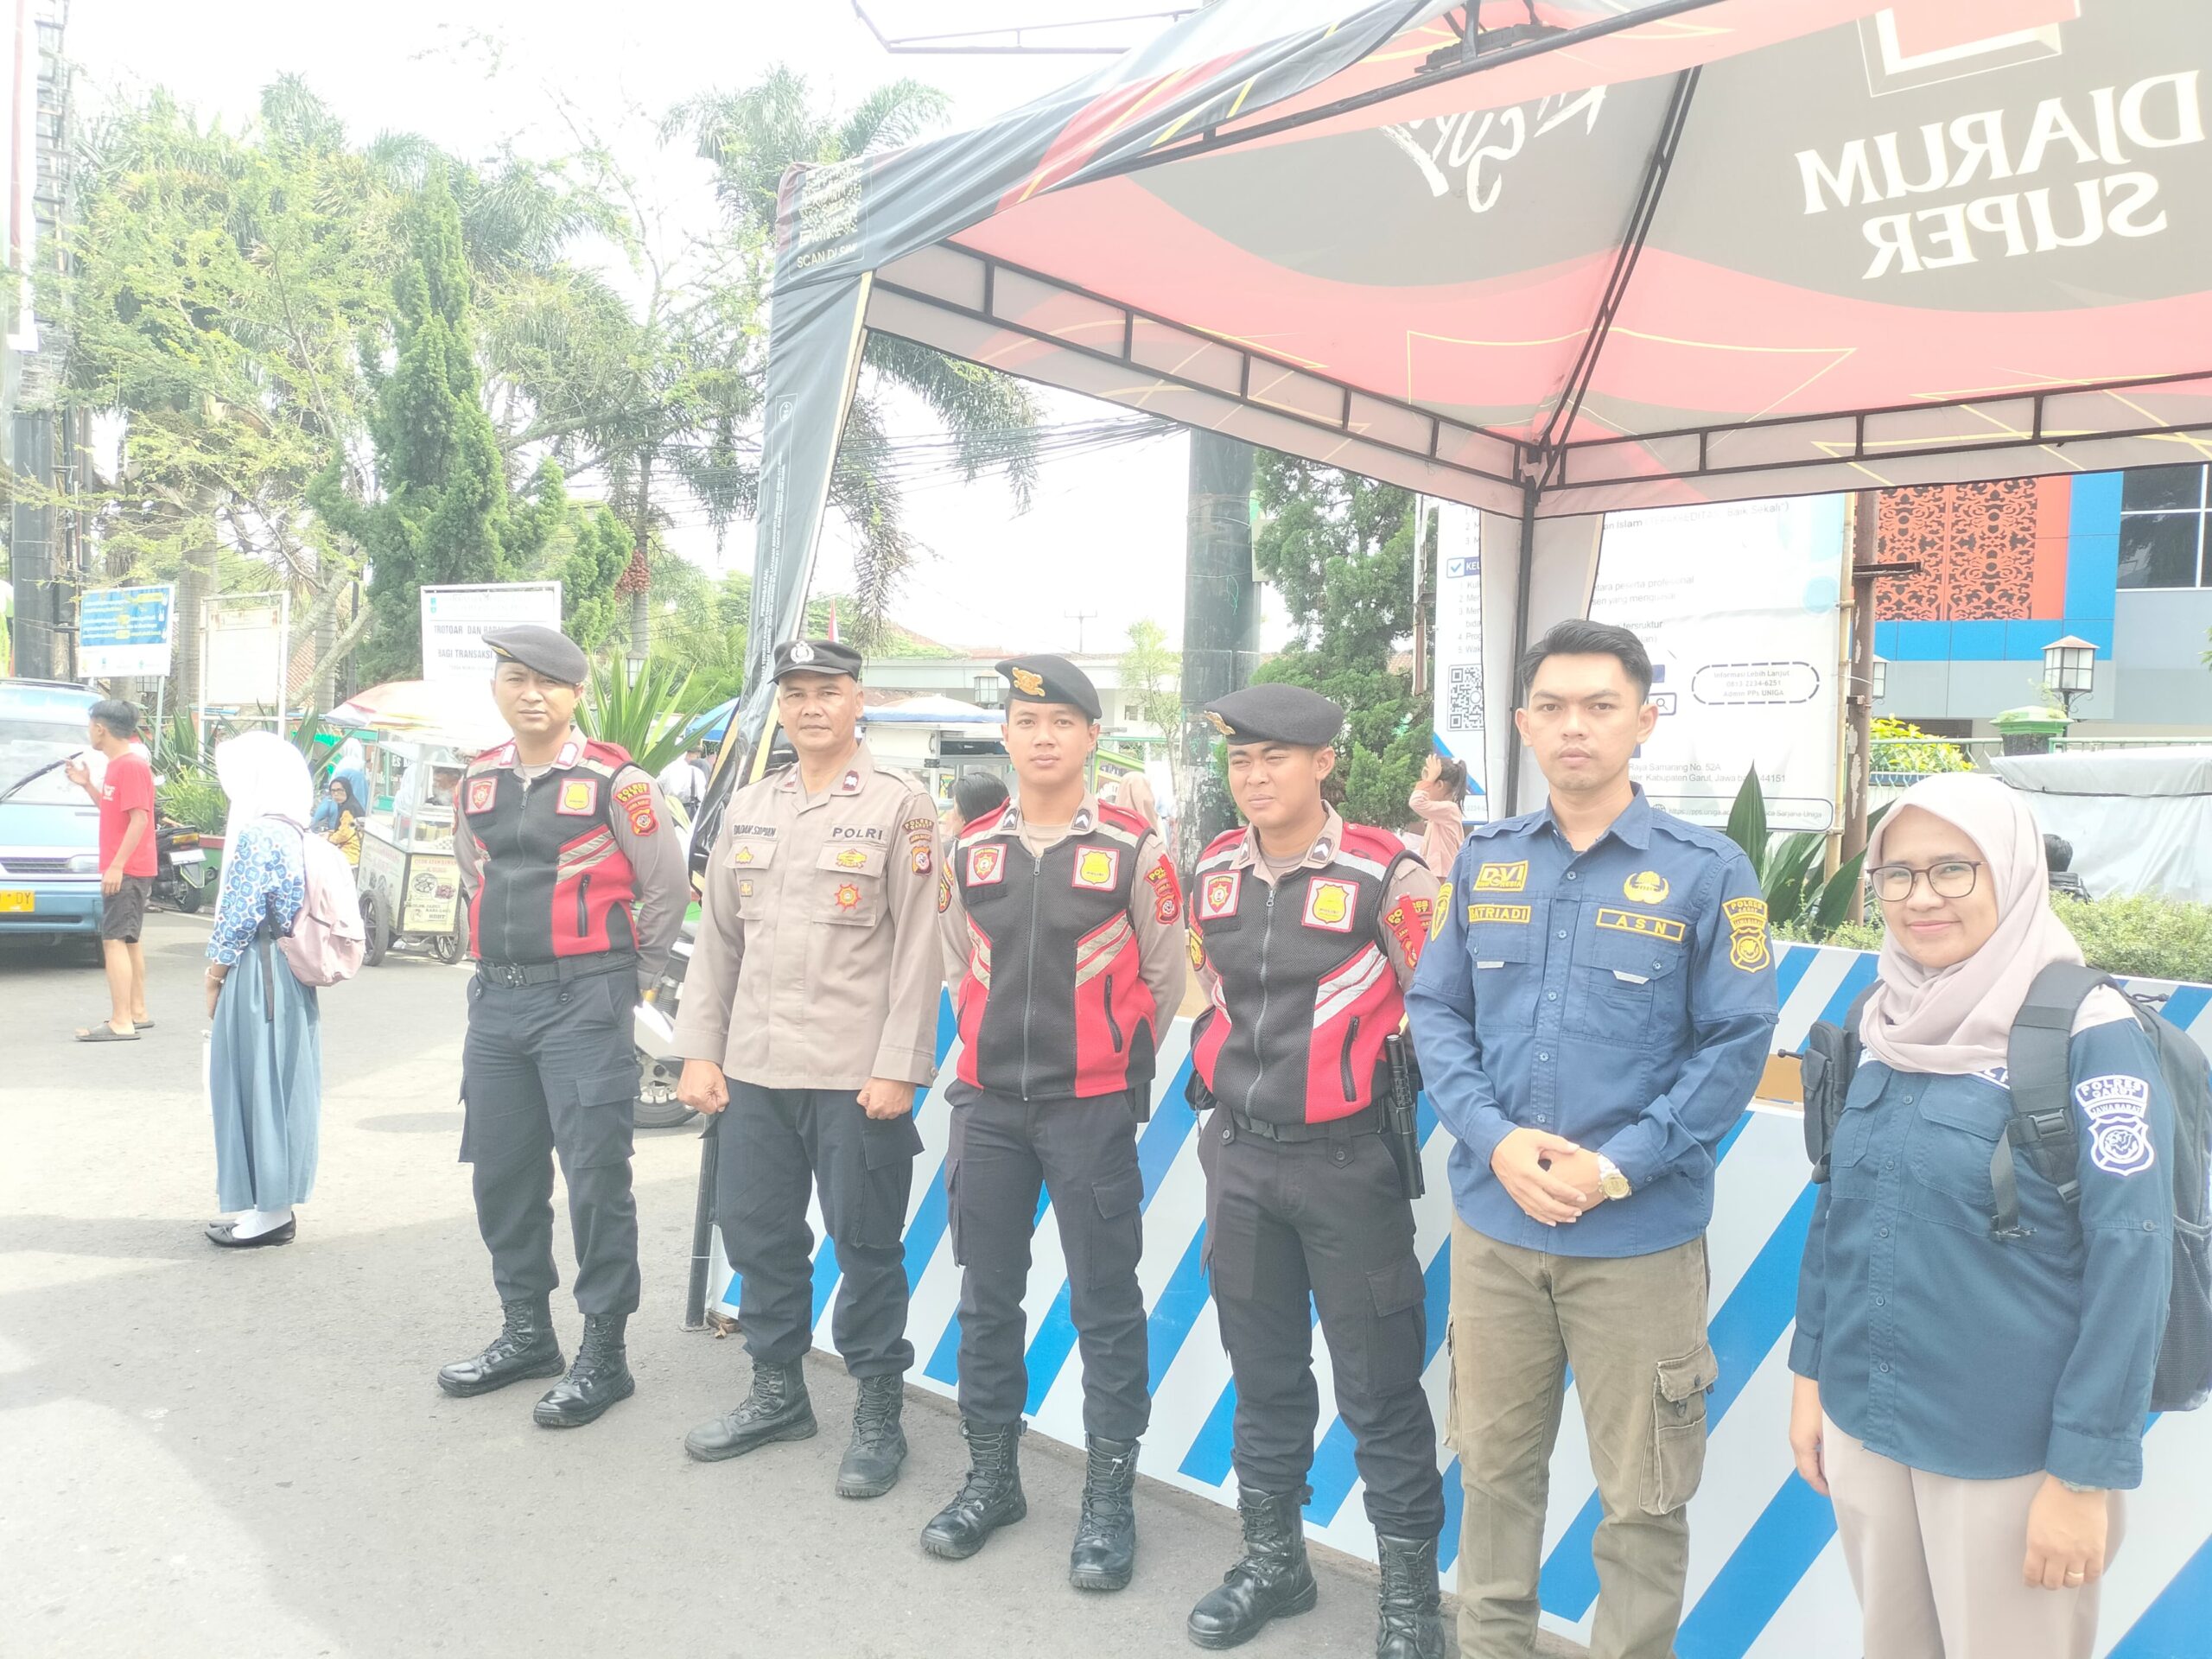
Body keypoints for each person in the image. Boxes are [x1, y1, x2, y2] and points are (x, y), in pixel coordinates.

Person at [1407, 619, 1778, 1659]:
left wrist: (1618, 1166)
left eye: (1600, 706)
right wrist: (1494, 1140)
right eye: (1554, 707)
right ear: (1524, 725)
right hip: (1496, 1230)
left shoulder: (1709, 871)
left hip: (1636, 1242)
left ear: (1643, 721)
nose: (1575, 727)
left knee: (1642, 1501)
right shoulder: (1485, 862)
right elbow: (1436, 1010)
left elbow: (1737, 1041)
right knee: (1493, 1478)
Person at [1789, 774, 2172, 1659]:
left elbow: (2134, 1260)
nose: (1921, 897)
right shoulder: (1880, 1017)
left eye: (1953, 869)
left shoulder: (2089, 1033)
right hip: (1868, 1417)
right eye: (1897, 873)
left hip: (2010, 1451)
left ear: (2012, 871)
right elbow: (1837, 1204)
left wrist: (2082, 1476)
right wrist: (1811, 1377)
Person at [1184, 683, 1446, 1658]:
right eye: (1240, 760)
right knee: (1263, 1376)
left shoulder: (1388, 873)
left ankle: (1410, 1601)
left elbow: (1440, 1005)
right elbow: (1210, 983)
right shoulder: (1213, 865)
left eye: (1275, 758)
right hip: (1240, 1157)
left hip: (1347, 1166)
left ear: (1323, 763)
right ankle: (1274, 1564)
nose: (1254, 778)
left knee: (1379, 1388)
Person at [925, 655, 1187, 1590]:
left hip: (1090, 1111)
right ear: (1006, 736)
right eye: (1027, 723)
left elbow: (1164, 977)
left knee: (1105, 1304)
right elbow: (957, 960)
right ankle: (992, 1480)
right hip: (989, 1110)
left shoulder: (1134, 850)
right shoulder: (970, 849)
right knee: (986, 1298)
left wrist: (1108, 1057)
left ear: (1090, 738)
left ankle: (1108, 1500)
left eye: (1062, 723)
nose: (1043, 738)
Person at [672, 638, 942, 1498]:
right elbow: (718, 943)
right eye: (795, 694)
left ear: (858, 700)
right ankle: (778, 1392)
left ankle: (877, 1412)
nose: (811, 706)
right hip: (754, 1069)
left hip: (853, 1074)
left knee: (865, 1246)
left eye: (828, 691)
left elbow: (921, 949)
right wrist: (701, 1050)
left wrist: (900, 1066)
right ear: (781, 708)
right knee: (759, 1235)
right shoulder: (751, 806)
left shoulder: (901, 807)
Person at [435, 625, 686, 1429]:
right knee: (502, 1175)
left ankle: (605, 1353)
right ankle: (528, 1335)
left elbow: (666, 889)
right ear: (497, 689)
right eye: (515, 678)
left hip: (586, 1000)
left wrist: (630, 979)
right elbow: (474, 874)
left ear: (576, 694)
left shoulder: (620, 784)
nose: (531, 693)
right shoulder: (476, 782)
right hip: (497, 1005)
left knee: (595, 1180)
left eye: (548, 681)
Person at [201, 733, 323, 1249]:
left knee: (255, 1083)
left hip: (258, 971)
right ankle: (272, 1205)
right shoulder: (299, 830)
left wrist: (214, 975)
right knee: (282, 1084)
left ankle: (270, 1214)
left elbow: (239, 915)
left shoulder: (258, 834)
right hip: (288, 972)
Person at [67, 698, 156, 1041]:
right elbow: (114, 811)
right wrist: (88, 785)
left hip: (128, 868)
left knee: (114, 940)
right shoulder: (118, 766)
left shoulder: (130, 766)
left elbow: (140, 819)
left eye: (91, 726)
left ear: (101, 729)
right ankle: (137, 1011)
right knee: (129, 940)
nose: (90, 732)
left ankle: (121, 1022)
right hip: (129, 866)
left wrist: (117, 865)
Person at [1408, 753, 1468, 880]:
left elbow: (1416, 802)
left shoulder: (1449, 809)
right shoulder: (1441, 812)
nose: (1425, 786)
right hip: (1439, 873)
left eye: (1429, 783)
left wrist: (1429, 779)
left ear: (1440, 785)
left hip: (1443, 874)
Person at [944, 770, 1009, 839]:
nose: (948, 813)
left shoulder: (956, 845)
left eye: (953, 807)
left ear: (964, 818)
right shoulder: (1012, 842)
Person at [322, 777, 365, 867]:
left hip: (350, 853)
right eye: (333, 791)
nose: (336, 794)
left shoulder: (349, 810)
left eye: (340, 790)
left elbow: (344, 834)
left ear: (347, 790)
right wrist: (330, 833)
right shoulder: (350, 805)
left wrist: (329, 839)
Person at [658, 741, 709, 812]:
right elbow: (701, 798)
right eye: (696, 756)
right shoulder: (697, 772)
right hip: (687, 811)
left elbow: (657, 789)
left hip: (666, 810)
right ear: (688, 754)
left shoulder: (665, 770)